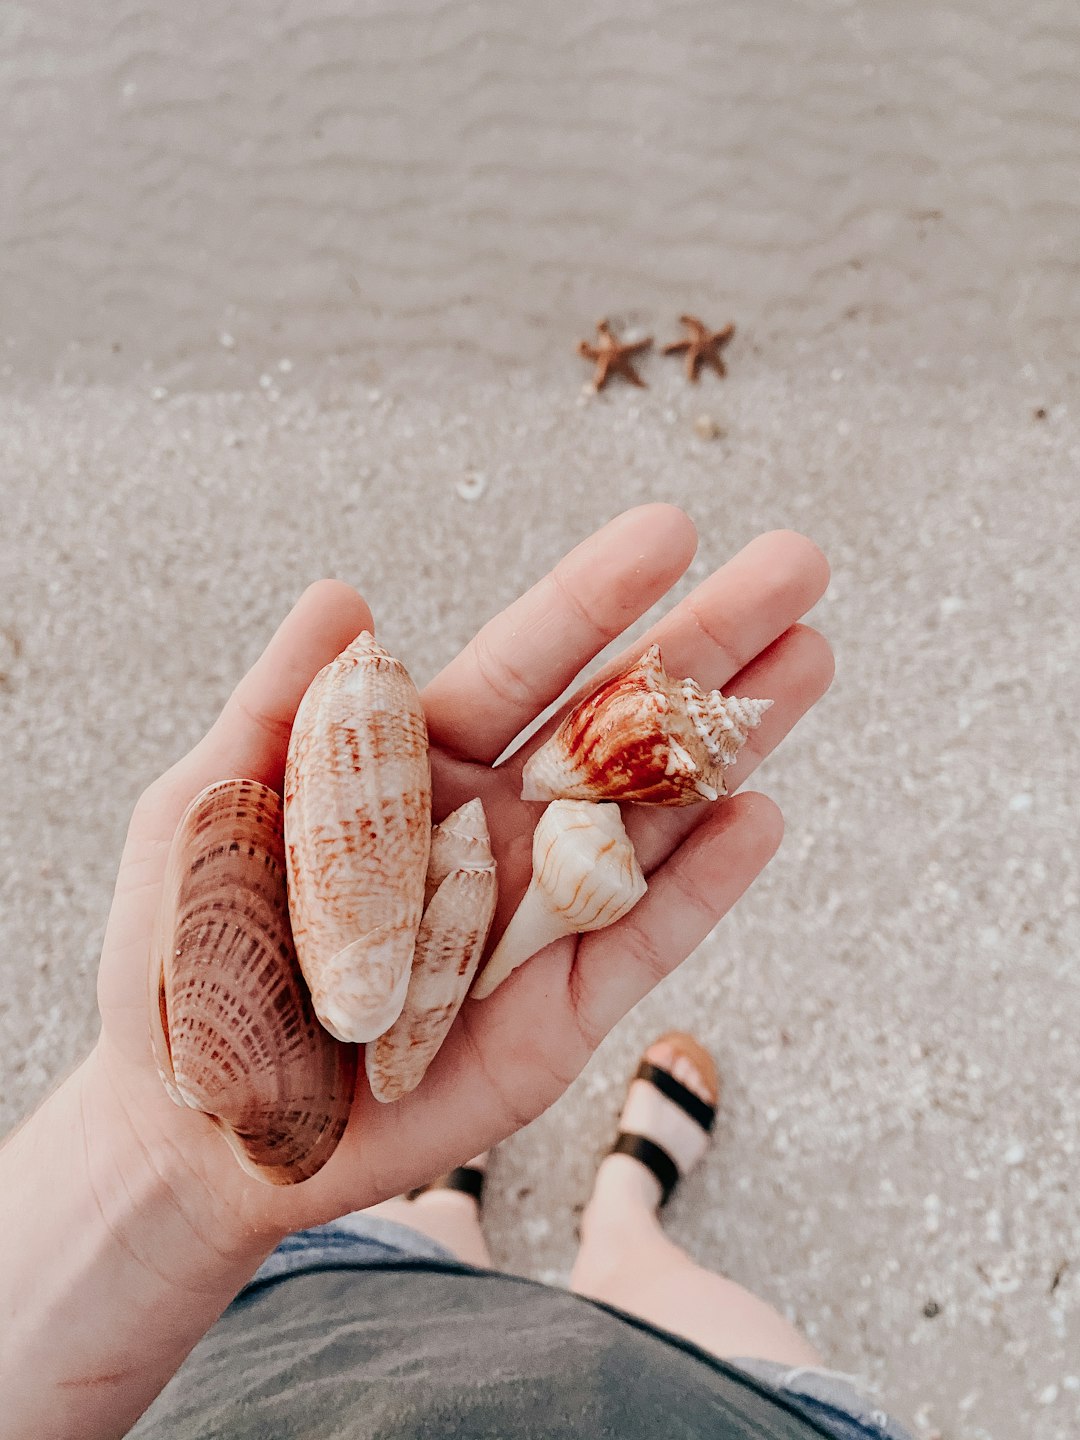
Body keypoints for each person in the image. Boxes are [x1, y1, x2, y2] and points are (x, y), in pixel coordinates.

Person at [0, 506, 912, 1439]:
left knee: (390, 1255)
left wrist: (145, 1171)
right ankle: (623, 1221)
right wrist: (161, 1151)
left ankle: (468, 1208)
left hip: (306, 1351)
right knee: (682, 1313)